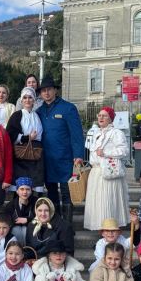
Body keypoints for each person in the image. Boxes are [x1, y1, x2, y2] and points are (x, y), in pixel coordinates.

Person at [36, 76, 84, 220]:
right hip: (47, 159)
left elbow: (76, 134)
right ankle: (55, 224)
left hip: (65, 159)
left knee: (66, 193)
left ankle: (67, 226)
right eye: (43, 91)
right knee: (51, 193)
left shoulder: (68, 108)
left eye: (49, 89)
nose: (46, 93)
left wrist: (78, 155)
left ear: (55, 90)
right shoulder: (38, 111)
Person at [84, 107, 130, 231]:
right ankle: (102, 231)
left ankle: (111, 229)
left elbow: (124, 151)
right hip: (96, 172)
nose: (101, 118)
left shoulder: (116, 133)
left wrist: (106, 152)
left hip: (109, 173)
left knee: (108, 201)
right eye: (99, 115)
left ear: (110, 119)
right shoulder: (96, 133)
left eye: (104, 116)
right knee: (98, 202)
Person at [6, 87, 45, 193]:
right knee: (21, 187)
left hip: (36, 156)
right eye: (25, 98)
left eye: (30, 98)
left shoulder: (37, 115)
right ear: (21, 100)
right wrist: (27, 138)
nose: (27, 100)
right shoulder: (17, 115)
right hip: (21, 156)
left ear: (34, 100)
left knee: (34, 187)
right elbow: (10, 134)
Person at [2, 177, 38, 242]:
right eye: (22, 189)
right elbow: (6, 220)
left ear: (31, 191)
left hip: (32, 229)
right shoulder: (11, 205)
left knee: (25, 229)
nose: (25, 192)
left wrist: (28, 220)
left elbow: (42, 218)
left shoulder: (37, 202)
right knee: (16, 229)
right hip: (16, 230)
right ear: (17, 191)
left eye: (28, 189)